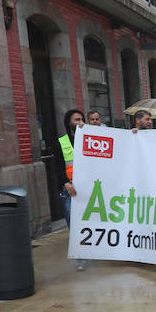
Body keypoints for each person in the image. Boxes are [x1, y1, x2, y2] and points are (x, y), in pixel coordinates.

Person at [58, 108, 87, 271]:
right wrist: (65, 182)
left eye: (82, 119)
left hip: (88, 190)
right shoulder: (62, 142)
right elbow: (58, 166)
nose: (80, 123)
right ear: (69, 122)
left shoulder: (91, 139)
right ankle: (80, 258)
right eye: (77, 120)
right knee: (74, 226)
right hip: (70, 191)